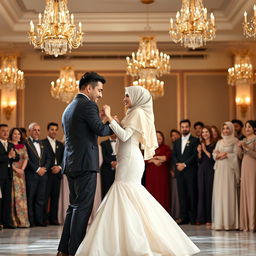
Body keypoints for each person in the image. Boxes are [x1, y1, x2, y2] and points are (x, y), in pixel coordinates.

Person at [76, 86, 200, 256]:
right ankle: (126, 239)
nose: (124, 98)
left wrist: (111, 116)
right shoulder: (132, 113)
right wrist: (115, 123)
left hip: (130, 159)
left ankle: (133, 240)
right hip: (127, 158)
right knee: (129, 196)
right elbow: (124, 135)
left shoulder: (138, 113)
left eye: (127, 95)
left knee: (124, 193)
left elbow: (126, 137)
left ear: (136, 97)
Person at [57, 72, 113, 256]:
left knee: (73, 208)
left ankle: (63, 251)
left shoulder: (69, 107)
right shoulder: (88, 105)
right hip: (85, 164)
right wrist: (111, 119)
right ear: (89, 88)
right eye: (99, 90)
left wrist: (102, 120)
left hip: (71, 163)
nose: (100, 95)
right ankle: (75, 252)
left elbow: (87, 132)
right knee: (82, 209)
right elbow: (102, 130)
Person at [212, 121, 240, 230]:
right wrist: (218, 155)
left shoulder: (235, 141)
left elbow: (238, 156)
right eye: (224, 128)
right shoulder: (219, 142)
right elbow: (214, 154)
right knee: (220, 194)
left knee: (229, 193)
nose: (225, 130)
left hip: (229, 170)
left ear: (232, 130)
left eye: (227, 128)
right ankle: (220, 223)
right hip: (219, 170)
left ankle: (230, 223)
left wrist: (227, 154)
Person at [173, 119, 199, 225]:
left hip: (190, 171)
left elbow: (194, 155)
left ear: (189, 127)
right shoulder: (176, 141)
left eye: (186, 127)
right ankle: (184, 217)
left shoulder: (195, 140)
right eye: (182, 127)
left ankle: (193, 218)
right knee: (182, 195)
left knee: (191, 194)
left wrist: (184, 164)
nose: (184, 129)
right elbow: (174, 155)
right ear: (180, 128)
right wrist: (178, 165)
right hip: (179, 172)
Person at [25, 122, 51, 227]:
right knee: (31, 198)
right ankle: (31, 221)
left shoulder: (42, 143)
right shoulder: (25, 143)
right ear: (29, 131)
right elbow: (25, 159)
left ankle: (39, 221)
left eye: (39, 130)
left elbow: (49, 158)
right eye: (34, 130)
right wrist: (37, 169)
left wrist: (44, 168)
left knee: (41, 199)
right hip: (32, 174)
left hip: (43, 175)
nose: (37, 132)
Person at [42, 122, 64, 225]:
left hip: (57, 174)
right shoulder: (42, 143)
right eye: (52, 129)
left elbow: (64, 159)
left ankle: (53, 218)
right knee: (45, 197)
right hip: (47, 174)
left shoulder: (60, 144)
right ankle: (44, 218)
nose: (54, 131)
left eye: (56, 129)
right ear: (48, 130)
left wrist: (59, 167)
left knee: (55, 197)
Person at [145, 130, 171, 212]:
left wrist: (153, 158)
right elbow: (145, 159)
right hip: (151, 175)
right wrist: (154, 160)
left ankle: (164, 212)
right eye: (156, 138)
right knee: (151, 192)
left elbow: (166, 157)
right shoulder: (149, 148)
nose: (158, 139)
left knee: (162, 192)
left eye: (160, 138)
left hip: (162, 174)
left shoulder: (166, 147)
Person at [9, 128, 30, 228]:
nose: (17, 136)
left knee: (21, 197)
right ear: (11, 135)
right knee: (14, 198)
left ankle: (23, 221)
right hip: (12, 173)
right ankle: (14, 221)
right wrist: (16, 169)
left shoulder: (23, 146)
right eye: (14, 134)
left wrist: (22, 169)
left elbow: (26, 158)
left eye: (18, 134)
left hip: (21, 174)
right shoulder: (9, 145)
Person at [0, 124, 19, 229]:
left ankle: (7, 222)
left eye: (7, 131)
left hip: (8, 175)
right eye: (3, 131)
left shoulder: (11, 145)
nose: (6, 133)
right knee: (0, 200)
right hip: (0, 176)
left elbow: (17, 157)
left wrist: (15, 156)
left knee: (7, 200)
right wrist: (8, 156)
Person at [238, 120, 256, 232]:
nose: (247, 129)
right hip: (244, 167)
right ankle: (246, 223)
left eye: (249, 127)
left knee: (252, 193)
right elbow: (240, 157)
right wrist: (240, 149)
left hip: (253, 167)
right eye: (246, 127)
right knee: (245, 193)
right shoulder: (244, 140)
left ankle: (253, 224)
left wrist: (246, 148)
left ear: (254, 128)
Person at [196, 126, 216, 226]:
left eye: (206, 132)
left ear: (210, 133)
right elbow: (199, 160)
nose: (205, 134)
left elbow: (212, 158)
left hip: (210, 170)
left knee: (209, 193)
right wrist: (199, 152)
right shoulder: (201, 144)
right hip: (201, 170)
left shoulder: (214, 144)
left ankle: (209, 218)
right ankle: (201, 218)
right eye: (203, 132)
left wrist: (204, 150)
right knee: (201, 193)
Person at [100, 134, 117, 198]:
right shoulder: (103, 143)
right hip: (107, 170)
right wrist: (111, 162)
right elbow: (102, 156)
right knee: (107, 190)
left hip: (119, 169)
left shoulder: (121, 144)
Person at [169, 129, 181, 220]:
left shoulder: (182, 145)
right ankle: (175, 214)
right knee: (175, 193)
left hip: (184, 170)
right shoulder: (171, 147)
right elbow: (170, 160)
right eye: (173, 135)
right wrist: (171, 170)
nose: (175, 136)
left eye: (176, 134)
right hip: (173, 172)